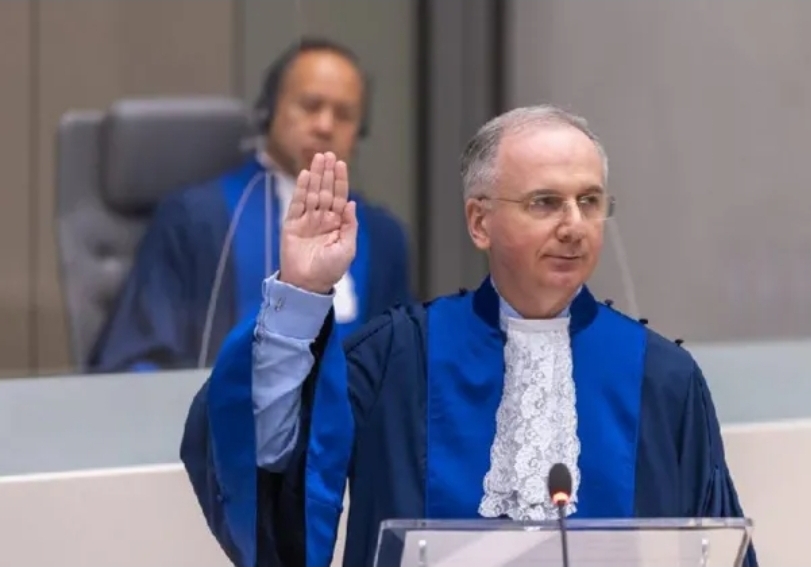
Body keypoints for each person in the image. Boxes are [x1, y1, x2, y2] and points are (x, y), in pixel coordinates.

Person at [180, 105, 757, 567]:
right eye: (545, 203)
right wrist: (302, 293)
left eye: (589, 202)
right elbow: (272, 467)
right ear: (480, 222)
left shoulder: (664, 379)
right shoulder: (397, 359)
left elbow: (715, 548)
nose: (574, 226)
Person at [88, 36, 412, 373]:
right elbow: (136, 364)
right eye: (310, 106)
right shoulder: (195, 218)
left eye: (343, 115)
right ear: (269, 111)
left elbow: (401, 367)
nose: (325, 126)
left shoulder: (382, 237)